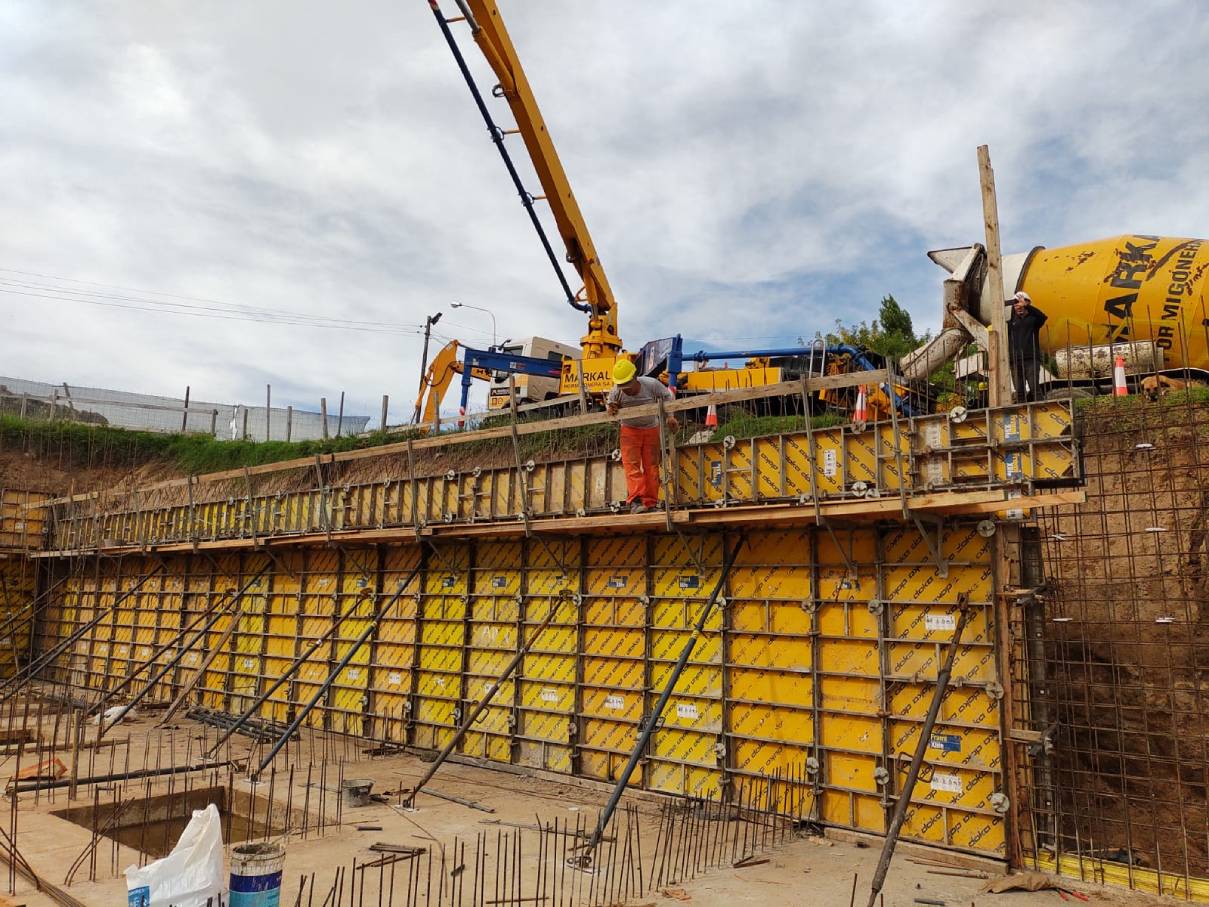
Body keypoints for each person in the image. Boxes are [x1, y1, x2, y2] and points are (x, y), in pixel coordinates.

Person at [605, 359, 678, 513]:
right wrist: (611, 408)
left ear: (635, 377)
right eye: (622, 386)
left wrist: (670, 416)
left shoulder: (651, 384)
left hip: (651, 428)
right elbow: (610, 404)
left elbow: (668, 397)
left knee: (651, 467)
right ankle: (635, 502)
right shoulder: (616, 391)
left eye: (627, 386)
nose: (625, 390)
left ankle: (650, 503)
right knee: (631, 466)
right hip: (629, 430)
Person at [1007, 290, 1047, 402]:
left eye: (1020, 303)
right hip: (1015, 361)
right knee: (1019, 391)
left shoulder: (1033, 320)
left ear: (1027, 303)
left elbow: (1043, 317)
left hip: (1031, 359)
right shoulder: (1010, 323)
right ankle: (1022, 415)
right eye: (1016, 304)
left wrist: (1027, 306)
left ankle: (1040, 411)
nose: (1018, 306)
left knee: (1035, 388)